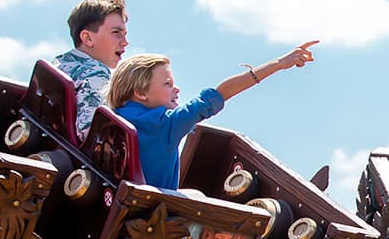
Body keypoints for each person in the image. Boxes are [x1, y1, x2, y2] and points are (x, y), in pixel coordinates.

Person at [107, 43, 316, 189]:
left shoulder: (109, 121)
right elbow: (221, 93)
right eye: (167, 84)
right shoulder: (164, 125)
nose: (176, 90)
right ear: (140, 93)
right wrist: (279, 63)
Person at [55, 0, 129, 140]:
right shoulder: (96, 72)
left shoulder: (59, 64)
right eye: (116, 33)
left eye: (125, 34)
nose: (125, 41)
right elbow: (88, 132)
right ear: (87, 38)